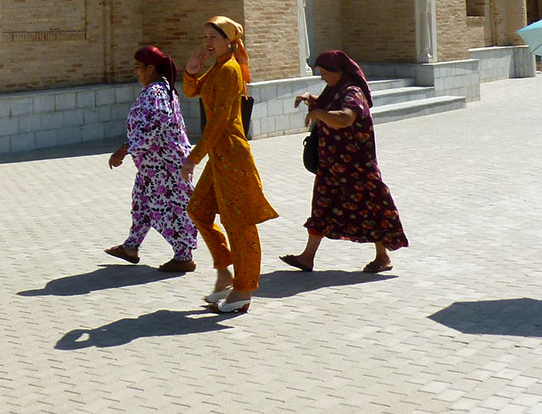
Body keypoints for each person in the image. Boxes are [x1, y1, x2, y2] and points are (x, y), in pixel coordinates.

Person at [181, 16, 277, 314]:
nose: (207, 42)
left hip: (232, 155)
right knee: (198, 209)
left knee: (239, 223)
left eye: (214, 37)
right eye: (205, 36)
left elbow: (220, 120)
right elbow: (191, 92)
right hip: (219, 156)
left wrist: (193, 157)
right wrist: (191, 72)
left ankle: (244, 288)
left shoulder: (230, 69)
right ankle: (225, 273)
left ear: (229, 41)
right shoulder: (219, 67)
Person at [281, 49, 408, 274]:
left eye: (325, 73)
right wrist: (312, 100)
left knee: (371, 209)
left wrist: (319, 113)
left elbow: (345, 118)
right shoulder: (335, 90)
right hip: (332, 166)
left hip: (357, 168)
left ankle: (382, 256)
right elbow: (326, 106)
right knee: (321, 207)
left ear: (339, 71)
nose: (323, 77)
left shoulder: (352, 92)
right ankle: (307, 257)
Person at [104, 46, 199, 273]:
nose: (136, 72)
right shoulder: (159, 89)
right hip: (153, 166)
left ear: (151, 67)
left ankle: (184, 255)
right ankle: (131, 247)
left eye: (138, 67)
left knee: (167, 209)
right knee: (142, 203)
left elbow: (159, 124)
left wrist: (126, 148)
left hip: (165, 166)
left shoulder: (156, 92)